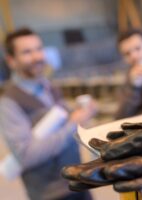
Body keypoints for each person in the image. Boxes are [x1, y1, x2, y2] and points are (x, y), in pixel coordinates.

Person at [0, 28, 94, 200]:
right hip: (51, 194)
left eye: (38, 49)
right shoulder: (9, 103)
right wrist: (72, 124)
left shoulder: (49, 86)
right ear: (11, 61)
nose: (37, 56)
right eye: (27, 52)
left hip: (78, 180)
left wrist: (81, 115)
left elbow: (64, 124)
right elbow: (26, 155)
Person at [115, 29, 142, 119]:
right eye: (127, 53)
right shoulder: (130, 77)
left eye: (138, 48)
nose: (134, 56)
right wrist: (133, 87)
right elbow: (120, 117)